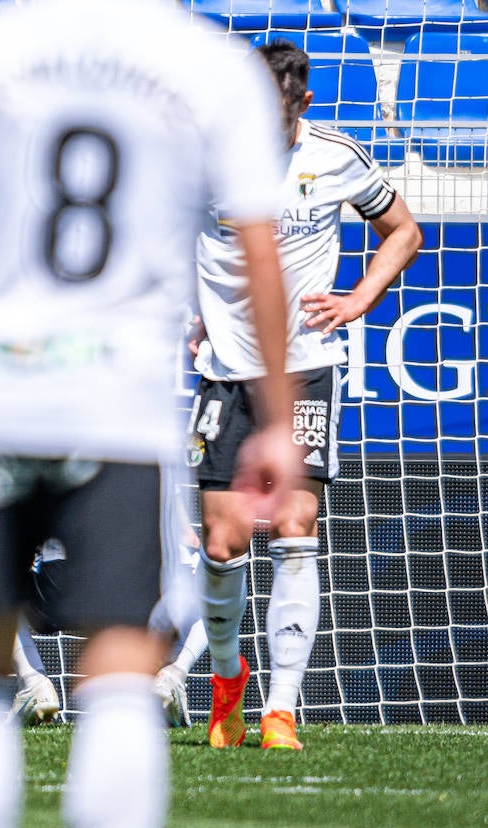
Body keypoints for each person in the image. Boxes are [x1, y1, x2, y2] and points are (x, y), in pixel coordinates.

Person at [0, 3, 300, 828]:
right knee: (117, 676)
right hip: (122, 407)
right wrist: (274, 419)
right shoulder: (207, 61)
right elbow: (262, 255)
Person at [179, 38, 422, 752]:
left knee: (294, 527)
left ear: (302, 105)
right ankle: (228, 683)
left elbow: (402, 230)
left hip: (308, 365)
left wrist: (360, 299)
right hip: (226, 371)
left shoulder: (336, 154)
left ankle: (281, 709)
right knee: (223, 546)